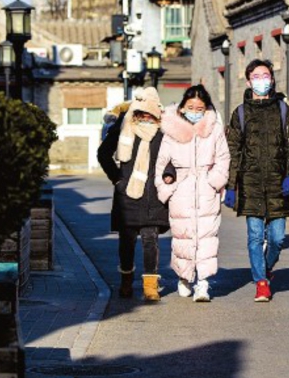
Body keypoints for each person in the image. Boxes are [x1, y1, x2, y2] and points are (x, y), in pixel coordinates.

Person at [225, 59, 289, 302]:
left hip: (278, 183)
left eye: (265, 75)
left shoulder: (283, 110)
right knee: (255, 236)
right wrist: (231, 186)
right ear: (248, 81)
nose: (261, 80)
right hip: (251, 183)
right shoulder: (241, 113)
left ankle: (267, 267)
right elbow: (233, 151)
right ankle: (261, 282)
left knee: (278, 238)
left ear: (272, 79)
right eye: (256, 76)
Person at [155, 85, 230, 302]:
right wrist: (167, 189)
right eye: (190, 107)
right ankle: (184, 276)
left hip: (207, 190)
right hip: (181, 189)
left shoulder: (214, 128)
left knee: (207, 237)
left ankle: (203, 284)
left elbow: (223, 157)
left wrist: (214, 181)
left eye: (199, 108)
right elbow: (161, 164)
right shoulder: (172, 131)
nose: (195, 111)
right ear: (182, 108)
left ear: (206, 108)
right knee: (183, 236)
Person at [97, 87, 171, 301]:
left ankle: (150, 286)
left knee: (150, 240)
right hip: (127, 194)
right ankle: (126, 281)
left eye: (150, 113)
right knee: (126, 242)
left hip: (153, 194)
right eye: (141, 113)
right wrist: (117, 179)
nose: (145, 117)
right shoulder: (124, 126)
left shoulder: (165, 131)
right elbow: (103, 154)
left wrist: (168, 176)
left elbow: (172, 159)